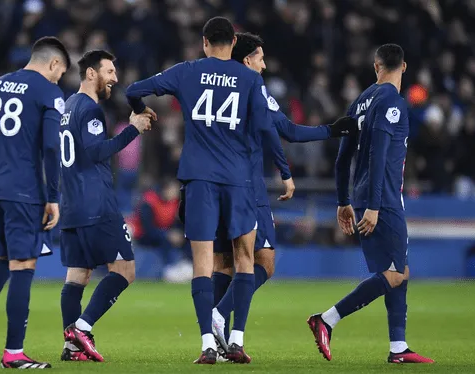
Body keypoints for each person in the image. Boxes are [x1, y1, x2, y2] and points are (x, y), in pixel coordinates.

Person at [126, 17, 294, 364]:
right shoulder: (249, 79)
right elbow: (266, 127)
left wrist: (140, 111)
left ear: (204, 42)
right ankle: (236, 340)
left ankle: (206, 344)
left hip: (199, 180)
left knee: (204, 264)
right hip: (237, 181)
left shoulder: (187, 71)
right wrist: (285, 169)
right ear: (234, 43)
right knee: (245, 259)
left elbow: (134, 89)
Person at [206, 32, 357, 357]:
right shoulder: (252, 87)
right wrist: (331, 130)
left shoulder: (211, 86)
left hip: (209, 184)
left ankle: (221, 346)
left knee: (224, 265)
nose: (264, 64)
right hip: (245, 185)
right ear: (247, 60)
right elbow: (285, 130)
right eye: (260, 57)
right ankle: (220, 319)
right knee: (264, 262)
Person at [307, 44, 434, 364]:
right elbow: (379, 152)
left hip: (364, 196)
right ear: (403, 67)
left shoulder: (359, 102)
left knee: (398, 271)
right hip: (383, 199)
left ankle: (398, 348)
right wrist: (376, 206)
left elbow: (341, 160)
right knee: (394, 275)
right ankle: (326, 319)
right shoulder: (392, 102)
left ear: (376, 66)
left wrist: (342, 201)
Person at [0, 36, 69, 369]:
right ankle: (14, 353)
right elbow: (51, 148)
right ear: (53, 64)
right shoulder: (49, 92)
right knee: (23, 267)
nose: (59, 80)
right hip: (22, 189)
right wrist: (53, 196)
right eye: (60, 73)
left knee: (2, 261)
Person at [59, 50, 152, 363]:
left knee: (77, 276)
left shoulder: (67, 107)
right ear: (90, 73)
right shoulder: (91, 109)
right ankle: (81, 329)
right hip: (95, 203)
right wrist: (133, 128)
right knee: (125, 270)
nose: (114, 78)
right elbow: (98, 151)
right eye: (109, 71)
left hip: (71, 204)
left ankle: (72, 348)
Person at [128, 178, 192, 283]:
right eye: (173, 190)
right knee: (165, 240)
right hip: (144, 235)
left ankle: (187, 263)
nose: (176, 194)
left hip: (164, 233)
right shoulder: (149, 202)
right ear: (165, 190)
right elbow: (147, 228)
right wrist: (167, 235)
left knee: (186, 237)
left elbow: (178, 224)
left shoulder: (176, 204)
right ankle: (169, 269)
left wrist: (177, 233)